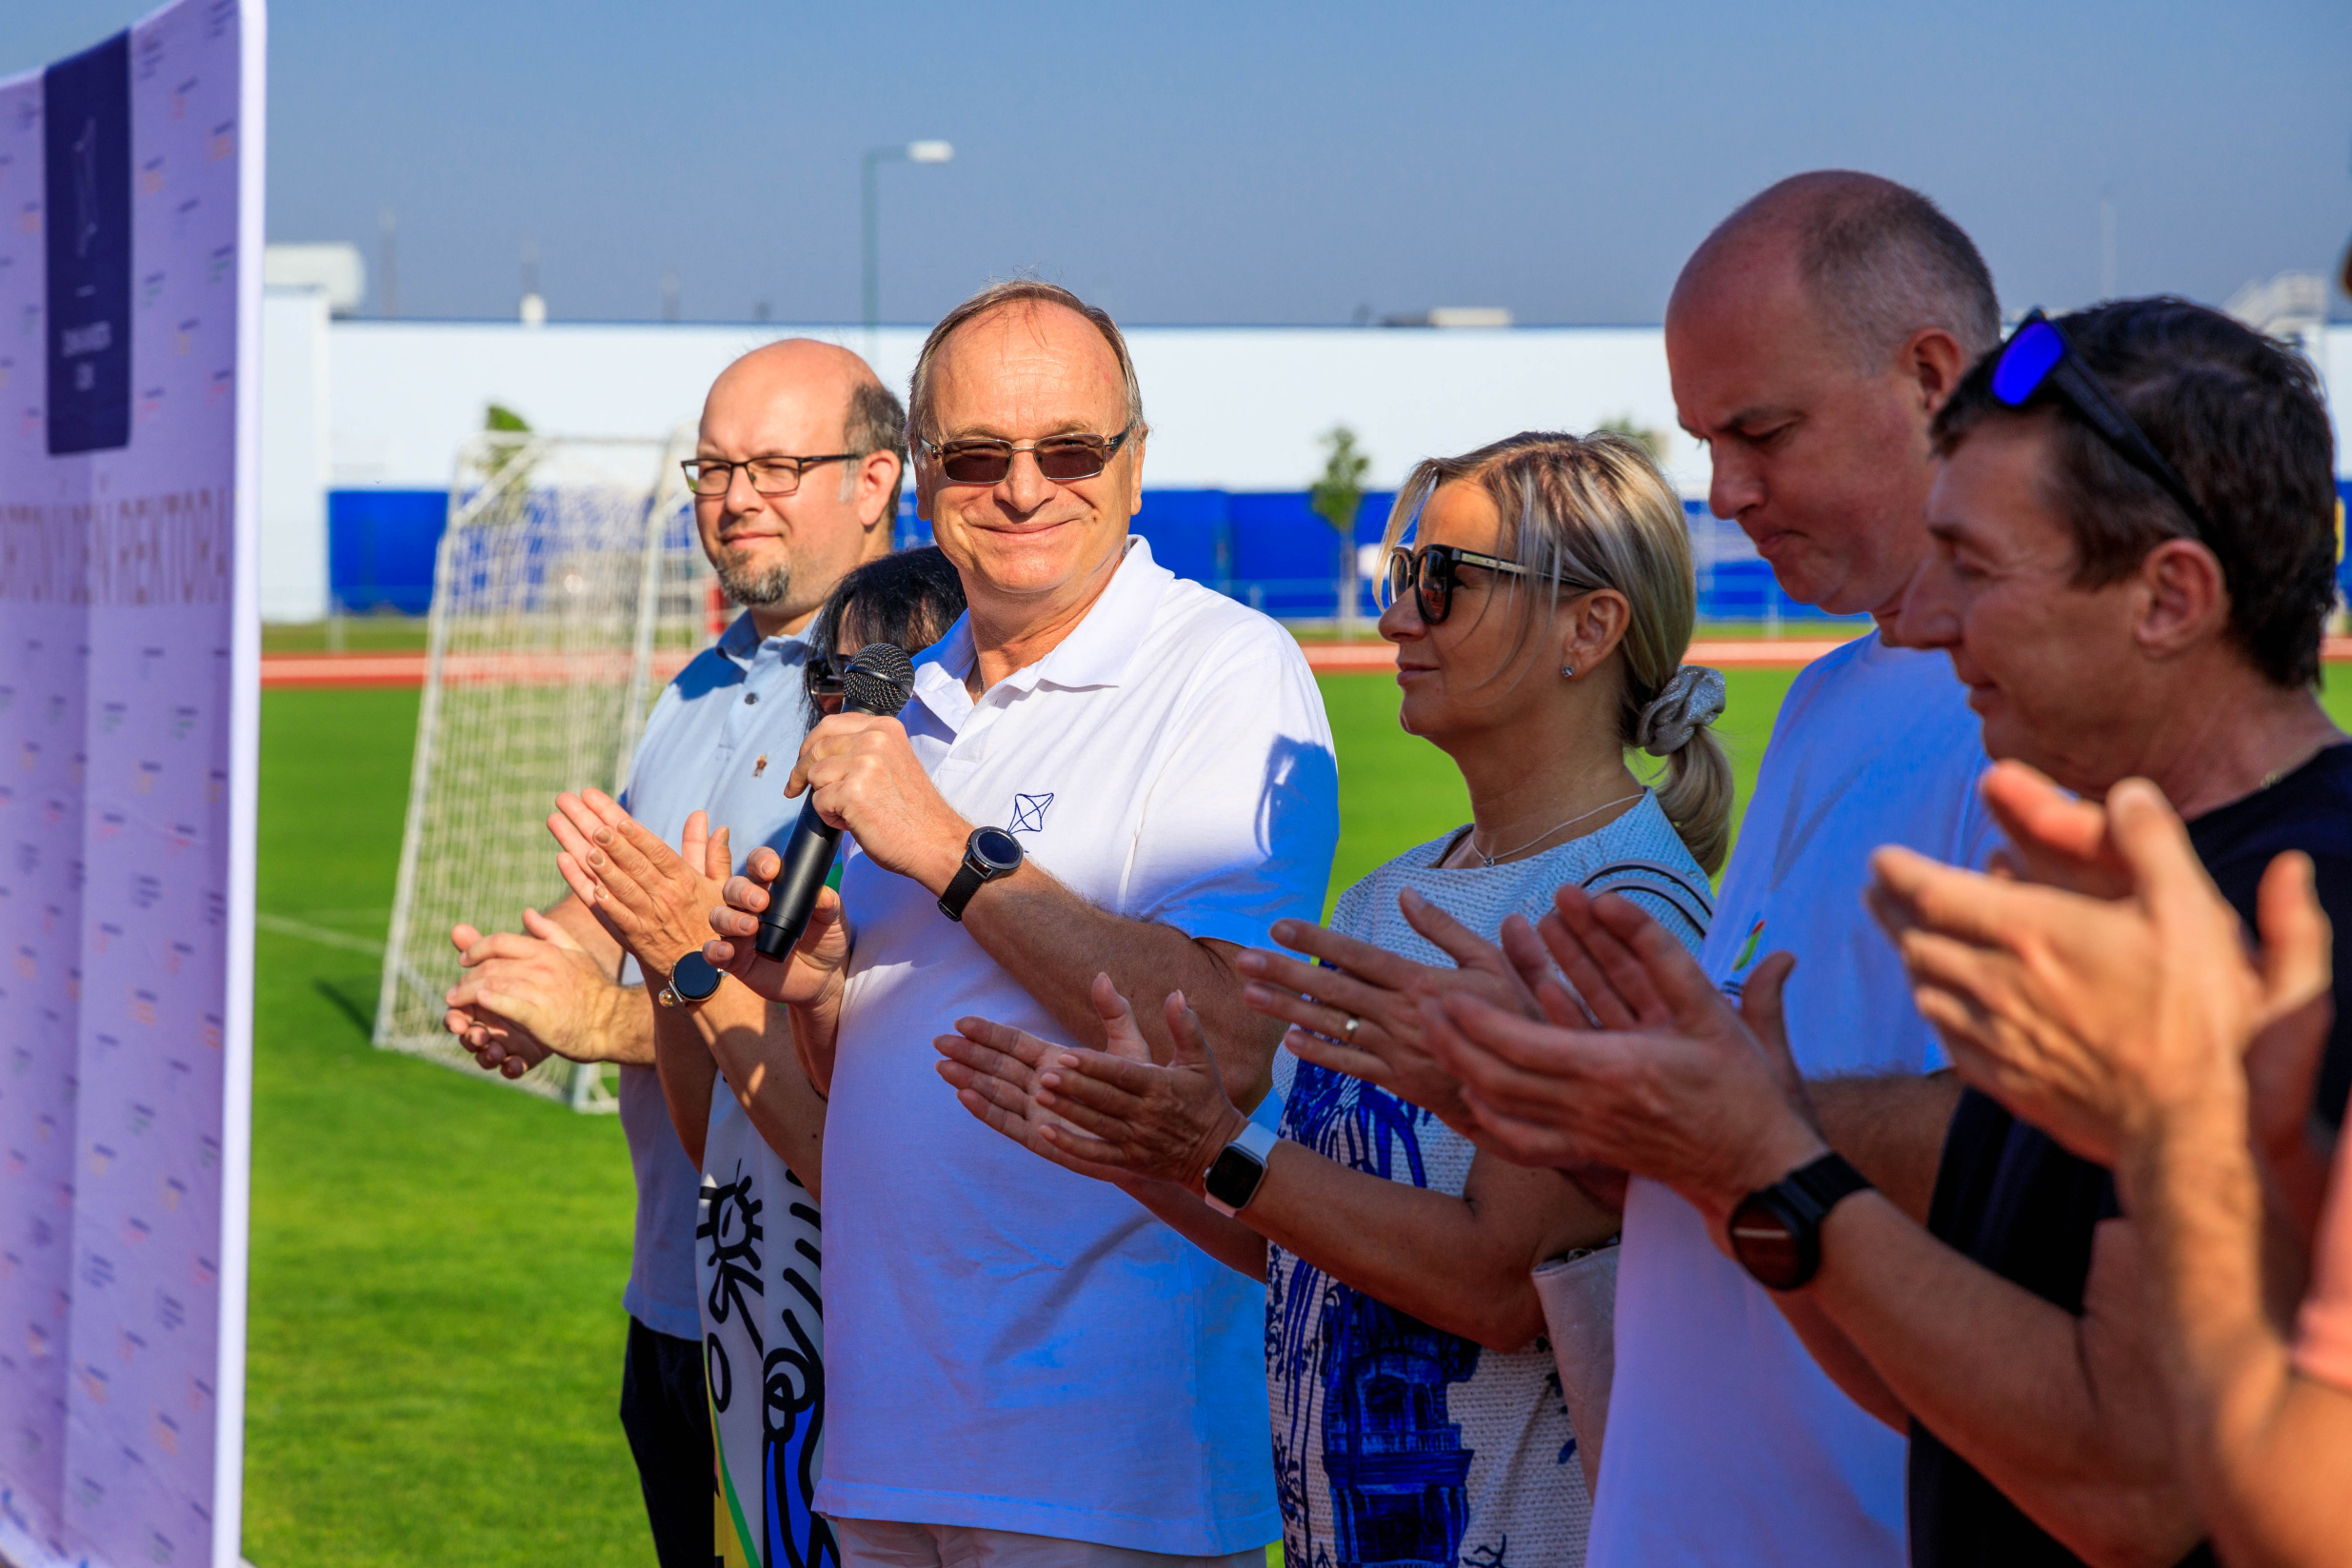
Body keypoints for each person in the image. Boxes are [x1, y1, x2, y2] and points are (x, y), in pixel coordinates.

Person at [1423, 298, 2352, 1567]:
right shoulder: (2132, 888)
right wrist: (1721, 1149)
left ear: (2168, 596)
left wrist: (1761, 1146)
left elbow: (2129, 1493)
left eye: (1973, 568)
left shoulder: (2303, 914)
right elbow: (1939, 1402)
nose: (1922, 619)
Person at [578, 280, 1340, 1568]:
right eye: (979, 456)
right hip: (886, 1437)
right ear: (926, 476)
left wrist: (944, 846)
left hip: (1100, 1466)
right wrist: (823, 987)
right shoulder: (906, 692)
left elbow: (1222, 1036)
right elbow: (868, 1096)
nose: (1024, 488)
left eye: (1069, 450)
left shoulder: (1222, 666)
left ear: (1134, 463)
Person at [935, 431, 1730, 1567]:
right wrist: (1141, 1146)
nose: (1398, 618)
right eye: (1401, 576)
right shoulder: (1388, 898)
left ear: (1588, 629)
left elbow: (1501, 1288)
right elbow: (1316, 1251)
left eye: (1443, 581)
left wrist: (1214, 1150)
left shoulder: (1619, 910)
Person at [1381, 171, 1996, 1568]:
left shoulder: (2039, 711)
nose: (1727, 493)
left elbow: (2065, 1148)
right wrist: (1559, 1099)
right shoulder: (1833, 693)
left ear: (1929, 377)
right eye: (1708, 441)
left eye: (1762, 431)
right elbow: (1730, 1162)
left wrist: (1706, 1110)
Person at [437, 338, 905, 1568]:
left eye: (773, 465)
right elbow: (636, 905)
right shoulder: (696, 685)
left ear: (874, 479)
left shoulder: (910, 697)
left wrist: (597, 1020)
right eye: (714, 467)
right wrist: (528, 976)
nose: (735, 495)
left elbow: (859, 1010)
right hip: (677, 1292)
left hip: (823, 1316)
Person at [1865, 770, 2347, 1568]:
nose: (1943, 639)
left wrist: (2182, 1127)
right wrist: (2274, 1151)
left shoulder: (2317, 873)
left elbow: (2261, 1514)